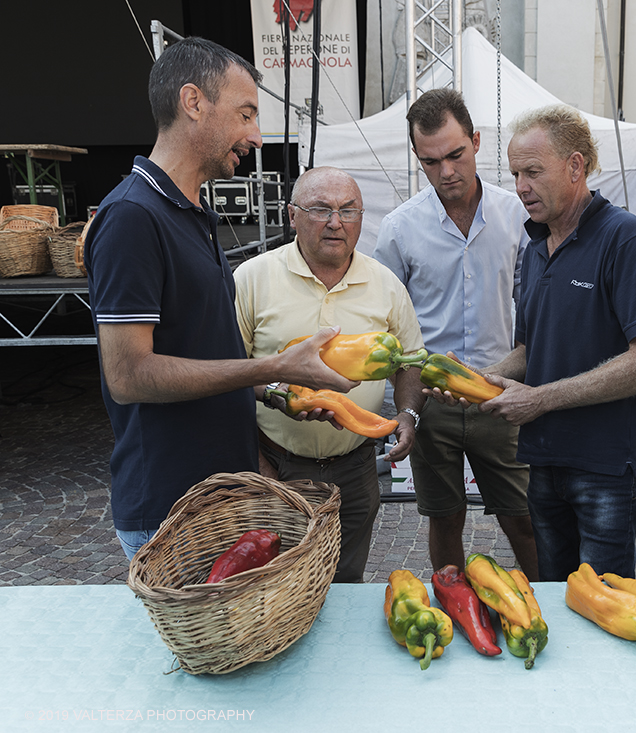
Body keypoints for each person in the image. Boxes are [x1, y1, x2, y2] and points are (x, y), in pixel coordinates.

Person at [84, 37, 355, 561]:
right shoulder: (133, 218)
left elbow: (200, 354)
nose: (257, 135)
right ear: (193, 103)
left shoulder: (193, 213)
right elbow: (129, 375)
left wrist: (278, 393)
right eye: (246, 113)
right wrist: (275, 367)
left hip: (216, 500)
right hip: (170, 511)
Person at [464, 104, 636, 582]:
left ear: (575, 167)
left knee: (605, 600)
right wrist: (484, 379)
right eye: (516, 173)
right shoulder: (535, 244)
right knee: (555, 596)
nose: (520, 187)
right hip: (543, 460)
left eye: (533, 172)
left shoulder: (627, 238)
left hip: (602, 467)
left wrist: (539, 400)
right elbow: (531, 349)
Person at [373, 89, 539, 579]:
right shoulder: (400, 229)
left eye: (455, 154)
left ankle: (542, 602)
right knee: (444, 518)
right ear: (417, 159)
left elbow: (533, 311)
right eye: (430, 161)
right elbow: (385, 322)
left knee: (522, 519)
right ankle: (453, 601)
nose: (446, 171)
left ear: (477, 142)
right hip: (430, 402)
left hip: (499, 396)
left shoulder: (519, 217)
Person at [234, 166, 426, 583]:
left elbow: (411, 361)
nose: (336, 222)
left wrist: (408, 416)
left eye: (349, 210)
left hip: (356, 470)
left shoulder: (386, 284)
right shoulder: (250, 279)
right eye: (321, 209)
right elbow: (225, 370)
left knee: (346, 580)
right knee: (276, 582)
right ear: (292, 216)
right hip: (276, 465)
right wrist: (270, 403)